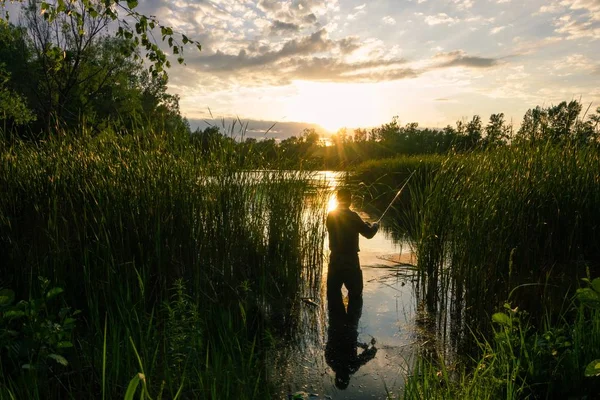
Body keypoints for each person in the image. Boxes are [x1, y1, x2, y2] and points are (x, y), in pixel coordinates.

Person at [326, 188, 379, 312]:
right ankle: (351, 326)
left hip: (335, 259)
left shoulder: (330, 215)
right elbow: (369, 233)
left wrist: (363, 224)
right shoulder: (353, 216)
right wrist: (375, 226)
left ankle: (335, 327)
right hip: (350, 260)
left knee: (333, 296)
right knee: (355, 296)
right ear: (349, 200)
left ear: (338, 200)